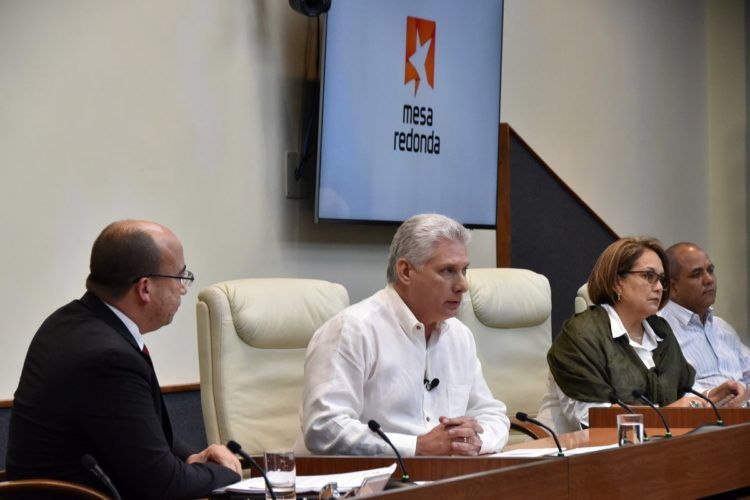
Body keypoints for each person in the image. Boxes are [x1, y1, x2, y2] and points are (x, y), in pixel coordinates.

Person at [6, 220, 241, 499]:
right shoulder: (109, 359)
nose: (183, 289)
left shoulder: (65, 323)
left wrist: (193, 457)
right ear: (145, 288)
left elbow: (137, 434)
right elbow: (164, 486)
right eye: (180, 277)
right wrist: (229, 472)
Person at [300, 213, 510, 456]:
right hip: (373, 484)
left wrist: (476, 440)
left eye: (464, 270)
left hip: (445, 480)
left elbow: (491, 413)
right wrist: (417, 447)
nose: (463, 285)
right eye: (448, 271)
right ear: (406, 271)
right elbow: (324, 428)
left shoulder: (459, 336)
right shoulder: (353, 330)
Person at [537, 237, 744, 433]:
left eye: (662, 279)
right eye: (648, 276)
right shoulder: (581, 335)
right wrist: (667, 414)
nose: (660, 287)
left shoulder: (659, 331)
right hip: (572, 456)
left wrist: (711, 397)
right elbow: (592, 419)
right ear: (617, 282)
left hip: (651, 447)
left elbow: (684, 392)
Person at [660, 242, 750, 403]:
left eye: (710, 270)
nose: (709, 280)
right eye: (696, 274)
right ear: (673, 287)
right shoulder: (659, 329)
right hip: (700, 421)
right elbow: (667, 394)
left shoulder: (722, 327)